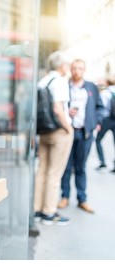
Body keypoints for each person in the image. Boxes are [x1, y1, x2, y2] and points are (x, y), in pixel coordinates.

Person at [58, 59, 104, 213]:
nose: (77, 71)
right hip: (68, 132)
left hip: (85, 133)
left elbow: (100, 107)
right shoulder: (64, 85)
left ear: (84, 70)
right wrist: (67, 112)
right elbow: (58, 106)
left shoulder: (91, 87)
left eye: (80, 68)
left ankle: (82, 199)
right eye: (74, 68)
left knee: (81, 167)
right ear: (71, 69)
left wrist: (96, 122)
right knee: (66, 166)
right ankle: (64, 197)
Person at [33, 51, 74, 225]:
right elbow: (58, 109)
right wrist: (68, 128)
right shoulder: (60, 81)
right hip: (58, 132)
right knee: (55, 173)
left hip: (43, 131)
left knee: (42, 171)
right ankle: (49, 212)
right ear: (62, 66)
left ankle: (37, 210)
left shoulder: (43, 80)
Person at [95, 77, 115, 172]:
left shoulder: (105, 93)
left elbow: (101, 107)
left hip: (106, 119)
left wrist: (98, 121)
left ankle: (102, 161)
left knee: (98, 140)